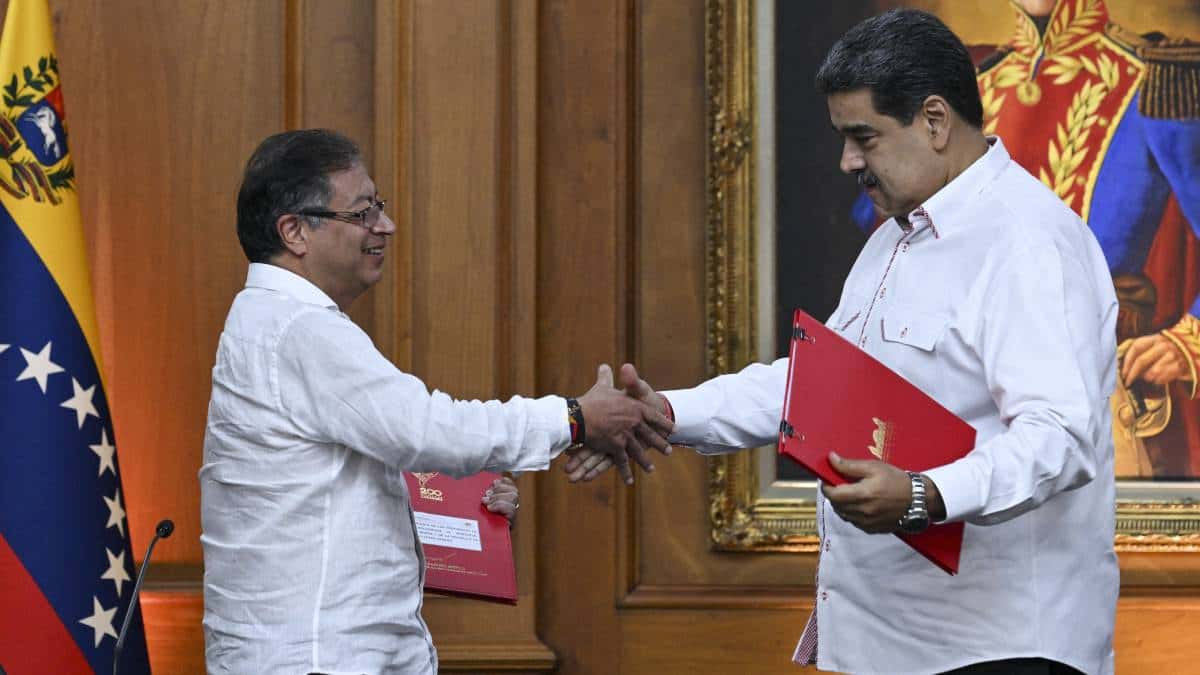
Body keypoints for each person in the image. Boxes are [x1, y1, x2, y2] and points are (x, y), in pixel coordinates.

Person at [572, 9, 1118, 674]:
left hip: (997, 652)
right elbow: (815, 387)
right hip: (892, 648)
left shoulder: (1029, 242)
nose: (847, 161)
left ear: (936, 121)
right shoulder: (896, 237)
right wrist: (667, 414)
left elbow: (1060, 437)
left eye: (864, 137)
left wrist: (924, 494)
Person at [199, 129, 673, 674]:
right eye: (362, 213)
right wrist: (574, 417)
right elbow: (430, 432)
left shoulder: (277, 322)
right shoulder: (297, 329)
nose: (385, 225)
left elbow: (324, 492)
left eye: (380, 206)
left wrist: (469, 511)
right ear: (294, 231)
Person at [971, 0, 1200, 478]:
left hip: (1101, 393)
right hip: (977, 393)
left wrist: (1188, 341)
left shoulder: (1154, 81)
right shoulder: (972, 92)